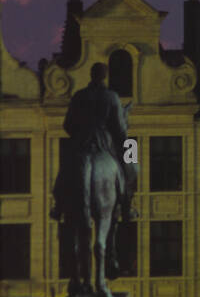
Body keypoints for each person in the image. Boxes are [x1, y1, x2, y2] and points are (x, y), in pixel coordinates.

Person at [51, 62, 137, 224]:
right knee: (132, 162)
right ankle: (128, 206)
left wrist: (79, 134)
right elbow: (120, 128)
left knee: (65, 168)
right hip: (107, 141)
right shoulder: (112, 97)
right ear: (105, 76)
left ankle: (58, 206)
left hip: (81, 141)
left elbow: (67, 124)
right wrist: (120, 137)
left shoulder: (79, 95)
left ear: (91, 75)